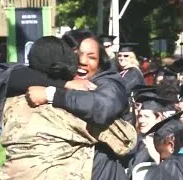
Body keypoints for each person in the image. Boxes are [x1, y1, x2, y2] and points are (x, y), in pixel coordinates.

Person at [24, 35, 129, 179]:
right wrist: (63, 85)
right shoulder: (64, 79)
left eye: (91, 57)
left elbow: (102, 107)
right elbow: (4, 75)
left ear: (100, 63)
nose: (83, 61)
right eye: (77, 54)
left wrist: (51, 95)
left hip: (100, 172)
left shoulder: (110, 84)